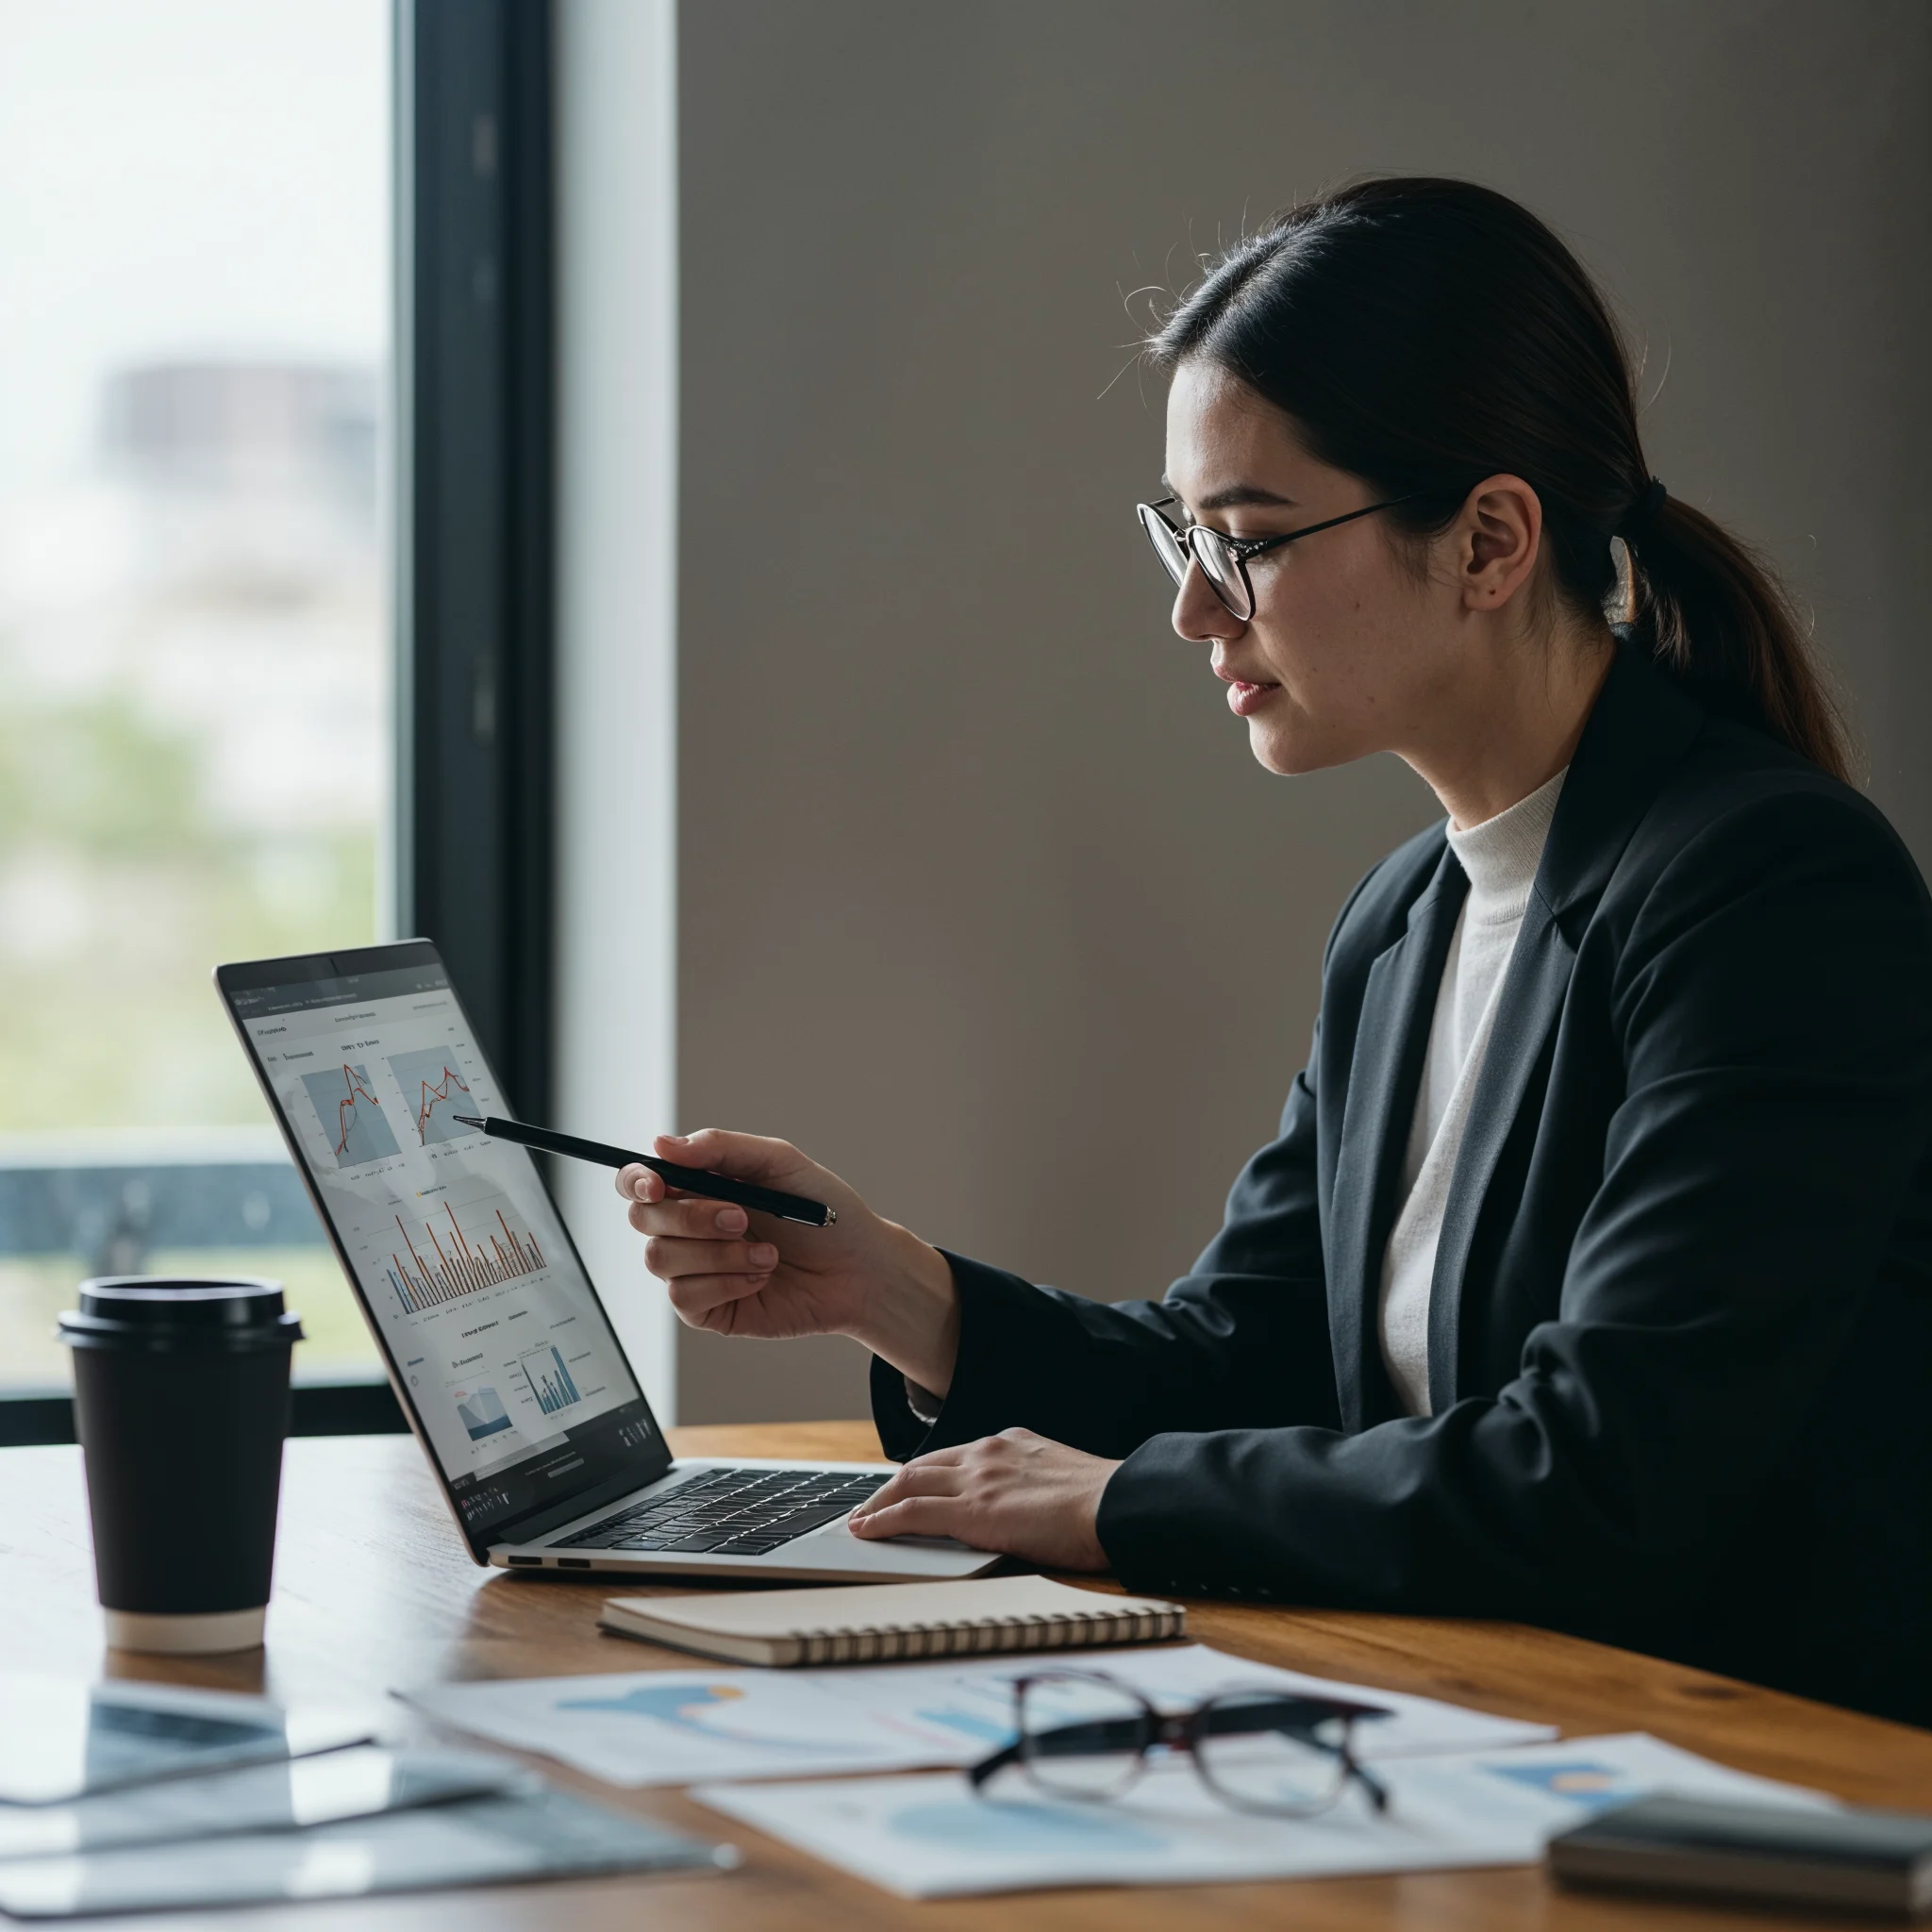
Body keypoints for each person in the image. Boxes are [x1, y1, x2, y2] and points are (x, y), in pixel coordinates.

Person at [619, 178, 1932, 1727]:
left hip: (1754, 1771)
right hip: (1487, 1717)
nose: (1190, 609)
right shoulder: (1404, 920)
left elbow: (1600, 1478)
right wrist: (892, 1287)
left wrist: (1110, 1507)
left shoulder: (1769, 892)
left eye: (1243, 540)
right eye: (1179, 533)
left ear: (1490, 541)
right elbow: (1247, 1361)